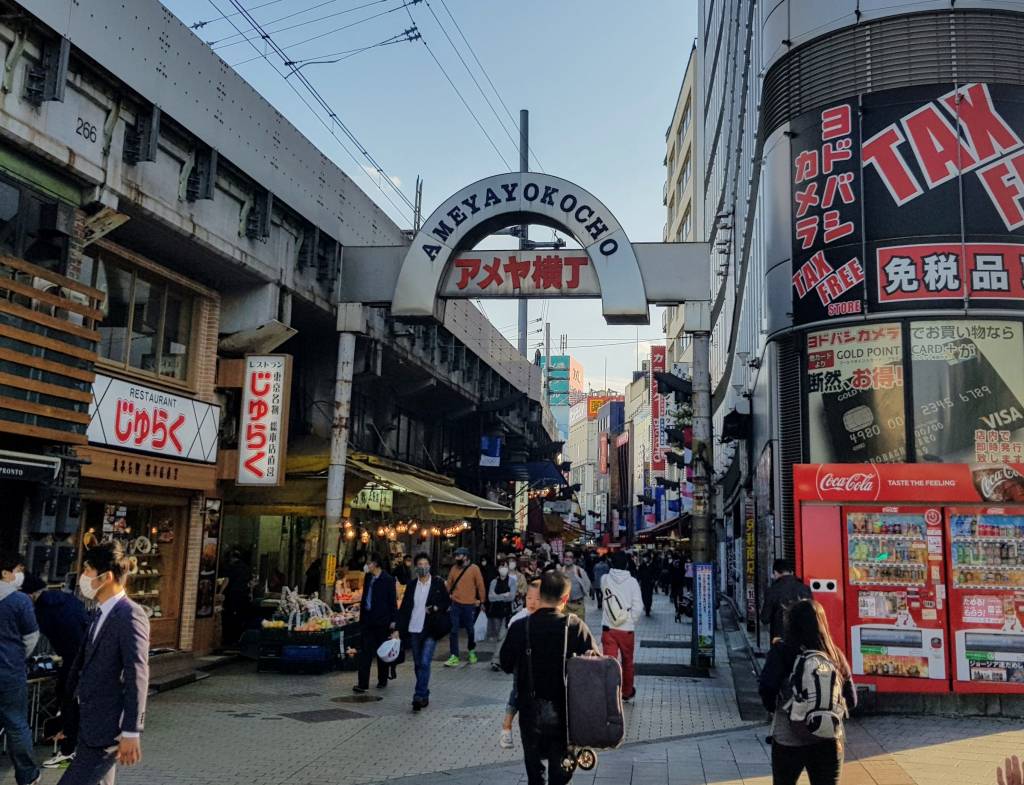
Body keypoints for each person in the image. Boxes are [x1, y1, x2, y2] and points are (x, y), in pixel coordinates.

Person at [59, 541, 149, 785]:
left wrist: (132, 730)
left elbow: (136, 673)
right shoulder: (99, 611)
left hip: (107, 729)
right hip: (88, 723)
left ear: (106, 576)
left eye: (88, 571)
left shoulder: (129, 615)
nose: (83, 578)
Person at [500, 571, 599, 785]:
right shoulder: (575, 626)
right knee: (560, 774)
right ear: (564, 599)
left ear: (540, 593)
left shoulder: (519, 627)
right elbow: (596, 666)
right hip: (566, 714)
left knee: (534, 774)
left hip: (529, 712)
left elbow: (505, 664)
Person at [758, 598, 856, 785]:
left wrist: (776, 708)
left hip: (789, 738)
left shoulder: (781, 651)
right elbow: (852, 700)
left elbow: (767, 687)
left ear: (791, 624)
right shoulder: (834, 654)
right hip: (829, 738)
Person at [22, 573, 89, 769]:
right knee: (69, 697)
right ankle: (68, 737)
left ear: (30, 595)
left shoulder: (42, 611)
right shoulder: (69, 598)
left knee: (68, 699)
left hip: (72, 658)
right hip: (84, 655)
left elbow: (31, 637)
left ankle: (69, 748)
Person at [0, 551, 40, 785]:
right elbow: (31, 637)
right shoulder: (20, 601)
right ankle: (27, 776)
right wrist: (17, 657)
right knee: (16, 724)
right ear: (6, 573)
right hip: (10, 670)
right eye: (18, 570)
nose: (21, 575)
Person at [397, 553, 450, 711]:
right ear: (415, 567)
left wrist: (435, 608)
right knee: (418, 664)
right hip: (414, 628)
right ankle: (424, 692)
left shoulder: (437, 584)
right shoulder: (412, 585)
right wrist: (398, 628)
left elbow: (446, 602)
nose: (423, 567)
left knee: (425, 662)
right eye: (420, 564)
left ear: (430, 566)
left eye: (425, 564)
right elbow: (405, 608)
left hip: (430, 629)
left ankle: (418, 695)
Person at [498, 578, 541, 749]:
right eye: (529, 598)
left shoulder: (545, 617)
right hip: (521, 665)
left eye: (537, 598)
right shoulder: (518, 618)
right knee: (517, 692)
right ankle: (506, 725)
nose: (532, 602)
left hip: (538, 666)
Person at [600, 551, 643, 701]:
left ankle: (610, 692)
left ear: (611, 563)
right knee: (627, 661)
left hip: (608, 628)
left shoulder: (604, 579)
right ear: (626, 564)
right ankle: (626, 691)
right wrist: (629, 619)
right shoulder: (632, 582)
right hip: (626, 630)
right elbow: (638, 607)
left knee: (610, 661)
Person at [354, 553, 397, 693]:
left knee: (381, 651)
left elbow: (392, 602)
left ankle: (382, 679)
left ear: (376, 564)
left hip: (382, 621)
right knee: (365, 652)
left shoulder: (388, 579)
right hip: (367, 620)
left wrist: (393, 621)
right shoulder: (368, 577)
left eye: (369, 563)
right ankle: (362, 683)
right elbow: (365, 596)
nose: (367, 566)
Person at [444, 547, 486, 666]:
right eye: (456, 556)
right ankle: (454, 655)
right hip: (455, 604)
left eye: (459, 556)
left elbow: (480, 585)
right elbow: (449, 584)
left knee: (470, 630)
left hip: (470, 605)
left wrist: (482, 601)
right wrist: (449, 597)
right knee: (453, 630)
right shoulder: (453, 568)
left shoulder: (474, 569)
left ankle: (471, 651)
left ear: (466, 557)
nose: (456, 558)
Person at [761, 558, 813, 643]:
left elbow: (765, 618)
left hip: (781, 641)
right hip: (802, 640)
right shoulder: (805, 589)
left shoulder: (772, 590)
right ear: (792, 572)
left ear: (775, 573)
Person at [222, 549, 251, 646]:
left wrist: (219, 592)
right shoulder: (246, 568)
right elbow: (250, 582)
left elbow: (226, 580)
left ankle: (229, 640)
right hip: (243, 596)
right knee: (240, 617)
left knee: (230, 618)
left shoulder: (231, 568)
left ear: (232, 558)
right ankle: (238, 639)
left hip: (232, 595)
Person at [487, 562, 516, 642]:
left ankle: (499, 652)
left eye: (506, 566)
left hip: (507, 611)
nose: (504, 568)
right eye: (502, 566)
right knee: (497, 633)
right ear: (498, 569)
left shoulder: (512, 581)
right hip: (496, 611)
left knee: (503, 633)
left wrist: (497, 596)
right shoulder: (493, 582)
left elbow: (511, 597)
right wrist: (504, 595)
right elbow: (490, 598)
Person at [560, 551, 591, 621]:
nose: (568, 559)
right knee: (566, 627)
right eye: (566, 557)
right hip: (565, 605)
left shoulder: (579, 570)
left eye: (570, 557)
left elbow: (587, 584)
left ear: (574, 560)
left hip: (578, 605)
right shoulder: (560, 571)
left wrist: (583, 593)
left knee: (580, 626)